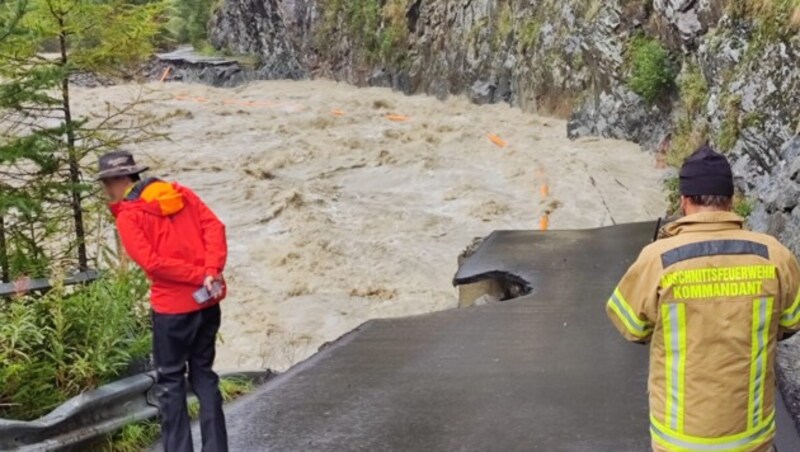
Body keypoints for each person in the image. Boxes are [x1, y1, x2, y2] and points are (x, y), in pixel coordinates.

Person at [606, 146, 800, 452]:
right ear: (731, 200)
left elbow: (631, 326)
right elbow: (791, 321)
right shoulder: (774, 255)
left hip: (678, 439)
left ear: (684, 201)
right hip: (751, 438)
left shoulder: (658, 259)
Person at [97, 150, 229, 452]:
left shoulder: (130, 217)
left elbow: (153, 264)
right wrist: (210, 271)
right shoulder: (182, 194)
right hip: (207, 303)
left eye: (107, 184)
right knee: (204, 376)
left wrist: (199, 274)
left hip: (172, 311)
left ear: (119, 180)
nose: (107, 192)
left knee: (170, 384)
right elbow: (215, 228)